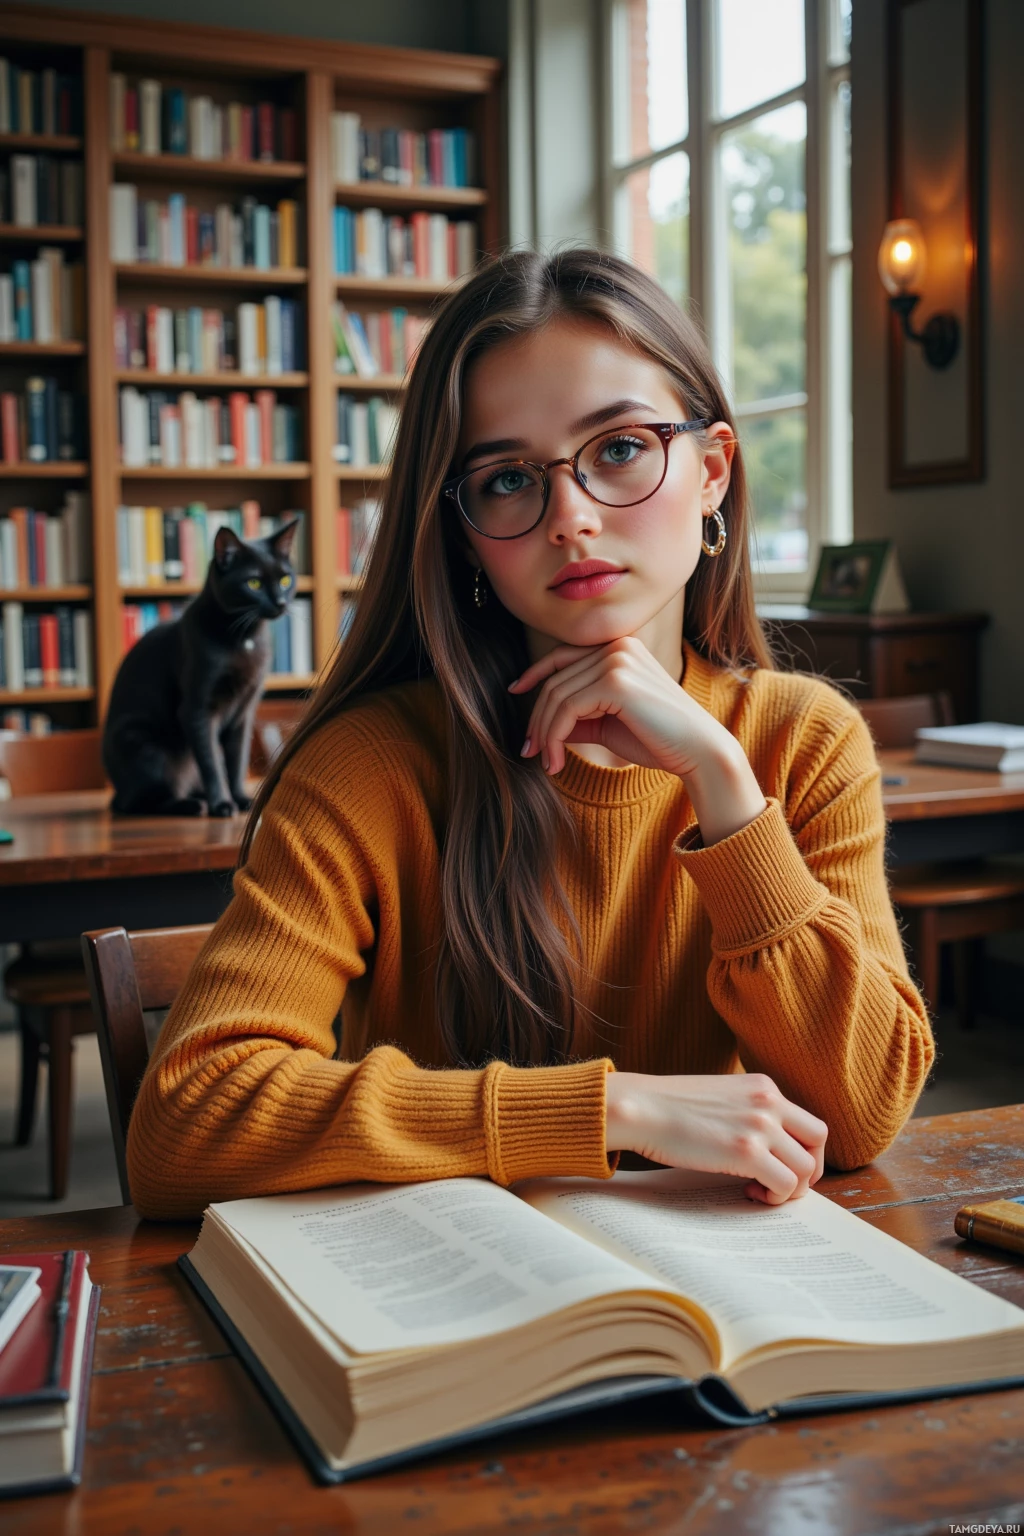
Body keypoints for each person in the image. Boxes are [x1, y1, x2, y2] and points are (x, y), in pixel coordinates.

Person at [126, 248, 934, 1221]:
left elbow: (858, 1118)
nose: (571, 516)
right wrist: (610, 1109)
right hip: (457, 1310)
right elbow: (182, 1124)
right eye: (508, 478)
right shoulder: (372, 764)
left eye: (622, 449)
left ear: (712, 471)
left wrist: (725, 792)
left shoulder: (800, 742)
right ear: (463, 528)